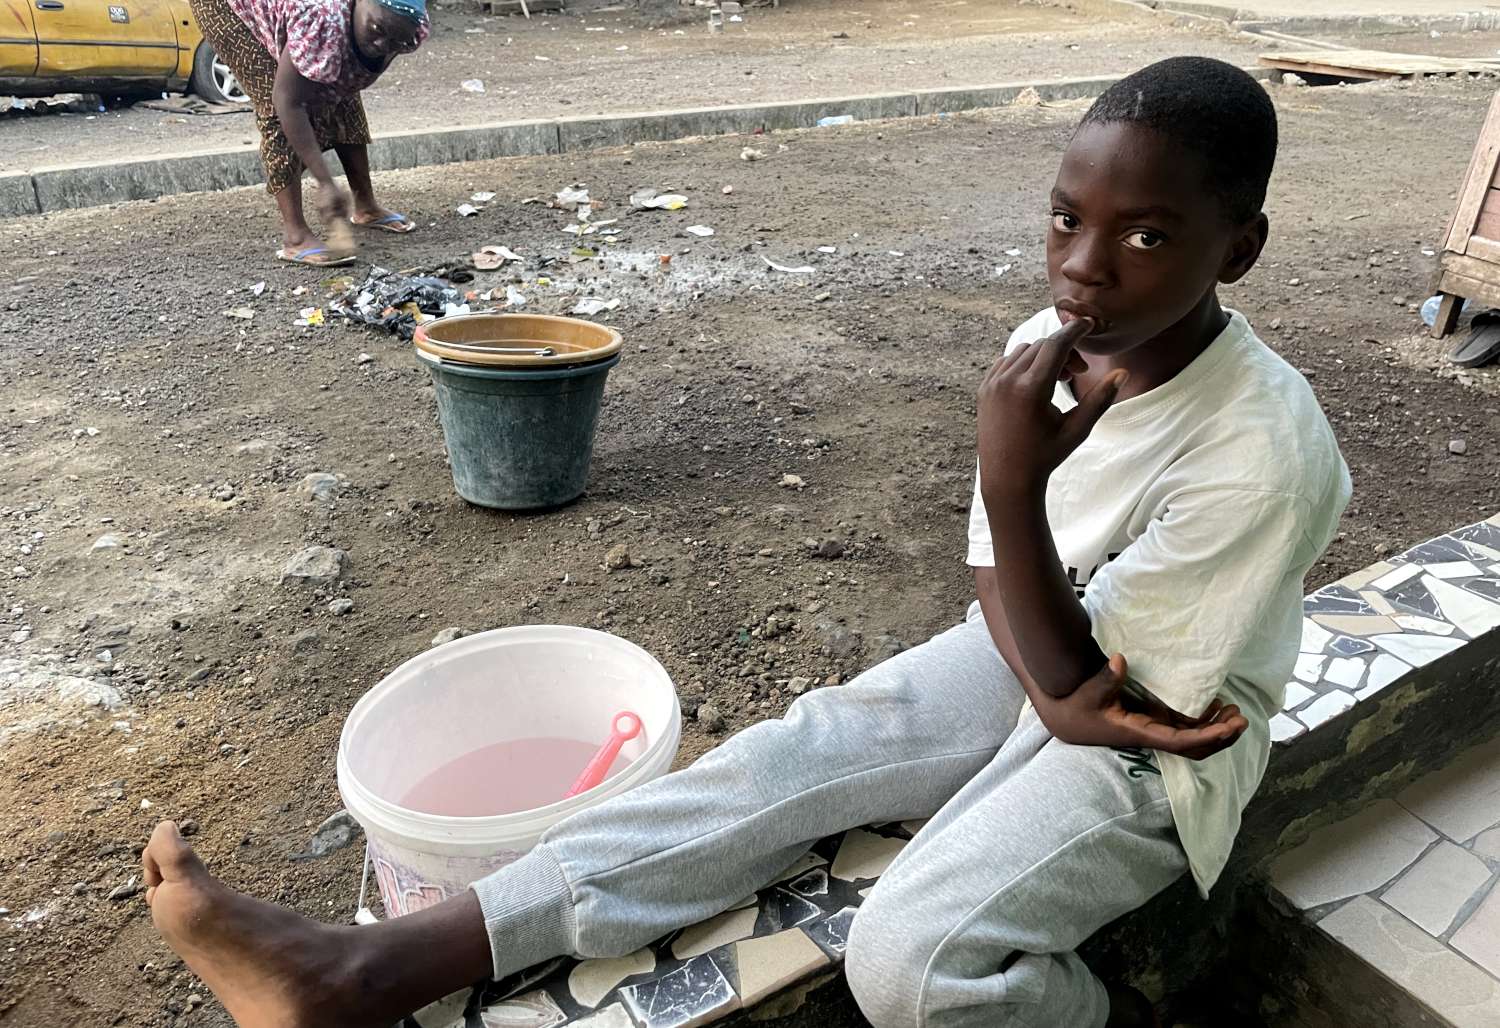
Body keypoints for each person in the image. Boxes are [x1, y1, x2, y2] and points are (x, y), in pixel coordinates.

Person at [138, 56, 1350, 1028]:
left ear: (1235, 249)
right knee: (780, 763)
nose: (1084, 269)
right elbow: (1009, 599)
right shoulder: (1055, 340)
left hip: (1167, 733)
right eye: (1065, 219)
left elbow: (1091, 704)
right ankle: (369, 972)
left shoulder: (1261, 453)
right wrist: (1011, 508)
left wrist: (1008, 478)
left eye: (1145, 237)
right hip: (1048, 641)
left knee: (915, 960)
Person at [183, 0, 428, 267]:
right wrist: (325, 183)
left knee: (342, 89)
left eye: (395, 40)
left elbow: (349, 79)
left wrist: (342, 82)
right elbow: (288, 103)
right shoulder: (320, 15)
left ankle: (365, 205)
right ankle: (295, 235)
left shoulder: (406, 22)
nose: (383, 44)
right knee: (274, 100)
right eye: (376, 29)